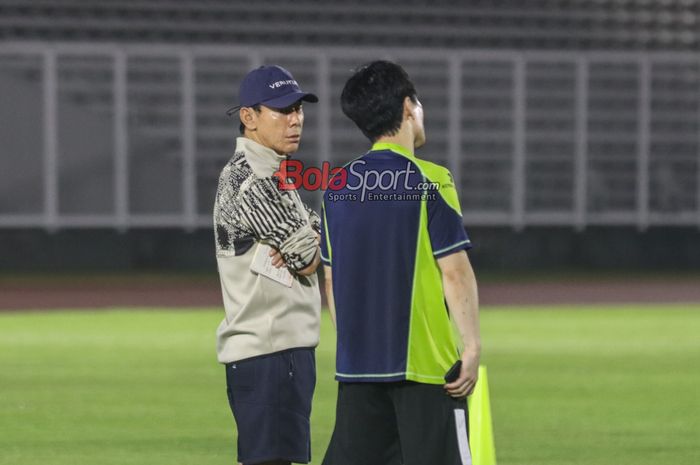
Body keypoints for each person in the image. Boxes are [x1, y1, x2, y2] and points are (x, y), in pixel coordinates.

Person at [320, 60, 481, 465]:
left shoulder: (336, 188)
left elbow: (331, 281)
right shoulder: (431, 180)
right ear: (408, 107)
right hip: (425, 369)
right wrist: (472, 346)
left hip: (357, 369)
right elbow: (455, 270)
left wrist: (354, 346)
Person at [214, 65, 322, 465]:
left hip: (273, 350)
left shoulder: (273, 172)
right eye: (281, 110)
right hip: (271, 352)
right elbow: (309, 259)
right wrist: (312, 238)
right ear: (249, 117)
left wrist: (310, 232)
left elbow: (309, 241)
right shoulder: (256, 179)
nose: (295, 120)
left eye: (298, 108)